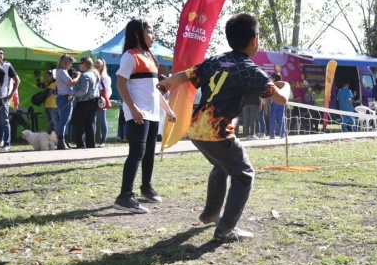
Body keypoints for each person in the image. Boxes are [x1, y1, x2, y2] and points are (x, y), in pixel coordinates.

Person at [159, 13, 288, 242]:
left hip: (197, 129)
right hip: (218, 132)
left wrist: (167, 81)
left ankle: (210, 214)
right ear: (254, 41)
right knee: (244, 174)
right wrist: (285, 86)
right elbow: (280, 99)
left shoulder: (215, 61)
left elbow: (187, 74)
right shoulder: (248, 68)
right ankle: (226, 228)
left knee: (221, 167)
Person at [112, 19, 177, 214]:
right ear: (138, 34)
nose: (153, 36)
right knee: (137, 153)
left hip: (152, 113)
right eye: (150, 32)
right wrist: (133, 109)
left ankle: (146, 188)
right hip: (138, 113)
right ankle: (124, 196)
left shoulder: (149, 57)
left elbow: (155, 90)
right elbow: (120, 85)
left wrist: (168, 110)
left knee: (149, 153)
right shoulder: (129, 56)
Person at [0, 49, 20, 151]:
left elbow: (17, 80)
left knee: (4, 121)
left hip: (4, 97)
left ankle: (7, 143)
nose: (0, 55)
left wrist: (10, 95)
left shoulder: (7, 66)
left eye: (2, 53)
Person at [71, 56, 100, 149]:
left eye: (80, 63)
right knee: (90, 123)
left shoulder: (85, 75)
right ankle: (91, 145)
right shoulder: (95, 73)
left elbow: (83, 91)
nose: (79, 65)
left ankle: (80, 145)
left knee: (80, 123)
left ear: (85, 64)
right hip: (94, 101)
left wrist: (73, 94)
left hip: (84, 102)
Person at [54, 54, 76, 150]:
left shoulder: (62, 71)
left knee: (66, 121)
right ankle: (61, 141)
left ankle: (65, 141)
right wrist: (78, 77)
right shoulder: (61, 71)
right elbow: (70, 82)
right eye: (70, 63)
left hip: (66, 97)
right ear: (66, 62)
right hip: (64, 97)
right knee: (63, 121)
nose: (71, 65)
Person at [93, 58, 112, 147]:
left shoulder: (105, 77)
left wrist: (104, 99)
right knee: (93, 120)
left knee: (102, 120)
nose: (97, 67)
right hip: (93, 99)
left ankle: (103, 141)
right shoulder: (93, 75)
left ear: (102, 66)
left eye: (99, 66)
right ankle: (92, 140)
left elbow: (108, 90)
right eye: (96, 65)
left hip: (101, 99)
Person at [269, 73, 286, 139]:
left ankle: (272, 135)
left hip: (275, 102)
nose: (271, 79)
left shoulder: (273, 84)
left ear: (274, 78)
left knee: (273, 119)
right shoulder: (283, 84)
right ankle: (282, 135)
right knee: (281, 119)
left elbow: (270, 94)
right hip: (282, 102)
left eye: (272, 78)